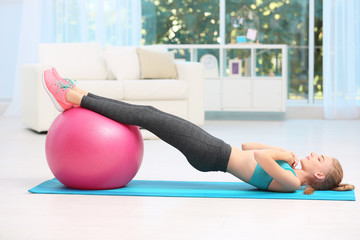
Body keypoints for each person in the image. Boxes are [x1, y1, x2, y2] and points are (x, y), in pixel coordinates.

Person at [43, 68, 355, 194]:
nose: (315, 154)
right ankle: (78, 95)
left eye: (320, 158)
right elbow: (248, 145)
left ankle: (74, 96)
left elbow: (260, 155)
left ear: (317, 176)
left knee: (148, 116)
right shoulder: (288, 168)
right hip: (217, 149)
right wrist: (285, 152)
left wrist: (281, 154)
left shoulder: (289, 183)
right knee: (148, 115)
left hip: (211, 153)